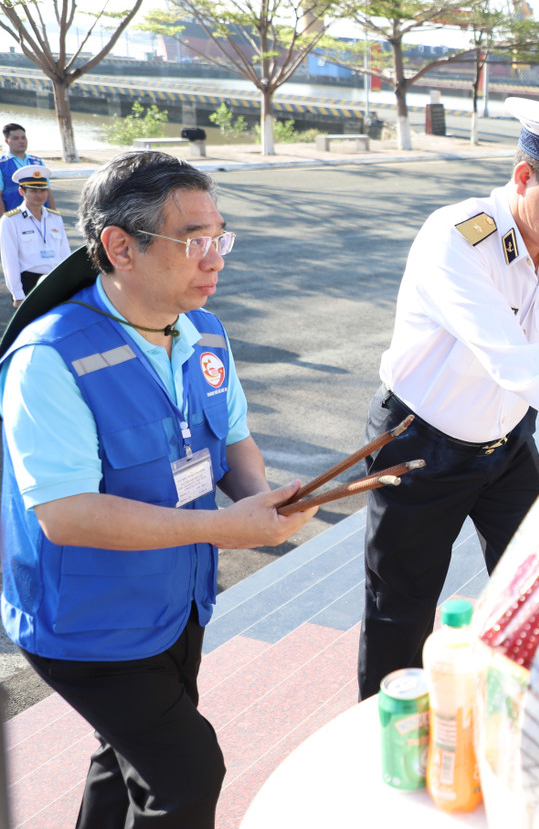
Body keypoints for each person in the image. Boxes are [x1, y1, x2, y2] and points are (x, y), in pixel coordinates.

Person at [0, 150, 320, 827]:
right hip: (88, 622)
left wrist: (263, 498)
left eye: (219, 238)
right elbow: (65, 515)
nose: (216, 259)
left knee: (124, 761)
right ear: (120, 246)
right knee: (186, 771)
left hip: (177, 602)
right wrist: (227, 529)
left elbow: (233, 441)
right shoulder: (49, 357)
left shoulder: (202, 331)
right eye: (194, 241)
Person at [357, 97, 539, 700]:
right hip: (421, 447)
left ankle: (530, 715)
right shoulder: (459, 239)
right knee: (401, 613)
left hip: (508, 444)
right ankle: (384, 744)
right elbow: (514, 362)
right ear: (524, 176)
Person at [2, 163, 70, 307]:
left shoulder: (55, 218)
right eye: (33, 190)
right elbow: (10, 261)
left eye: (42, 190)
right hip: (30, 284)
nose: (39, 195)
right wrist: (18, 294)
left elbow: (65, 254)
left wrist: (69, 285)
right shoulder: (10, 221)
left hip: (56, 281)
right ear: (22, 191)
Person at [1, 123, 56, 214]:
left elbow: (48, 190)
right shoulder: (2, 164)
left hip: (40, 216)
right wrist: (3, 221)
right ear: (7, 141)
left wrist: (53, 214)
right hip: (14, 217)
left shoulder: (37, 162)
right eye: (16, 138)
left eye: (23, 137)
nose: (21, 141)